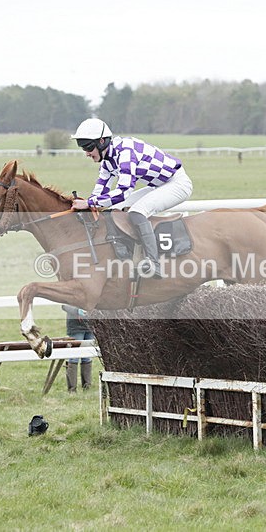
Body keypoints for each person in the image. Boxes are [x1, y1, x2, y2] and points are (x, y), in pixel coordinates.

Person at [70, 118, 193, 279]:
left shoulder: (125, 152)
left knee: (136, 211)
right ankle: (127, 255)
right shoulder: (107, 161)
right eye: (83, 148)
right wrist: (87, 205)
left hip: (177, 183)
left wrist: (89, 203)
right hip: (159, 185)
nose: (86, 153)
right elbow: (100, 192)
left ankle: (153, 263)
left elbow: (123, 192)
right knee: (115, 210)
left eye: (88, 147)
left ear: (101, 142)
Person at [62, 305, 93, 393]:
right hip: (75, 328)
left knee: (87, 356)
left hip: (90, 326)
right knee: (74, 357)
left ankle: (87, 387)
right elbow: (64, 305)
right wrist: (77, 311)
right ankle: (72, 389)